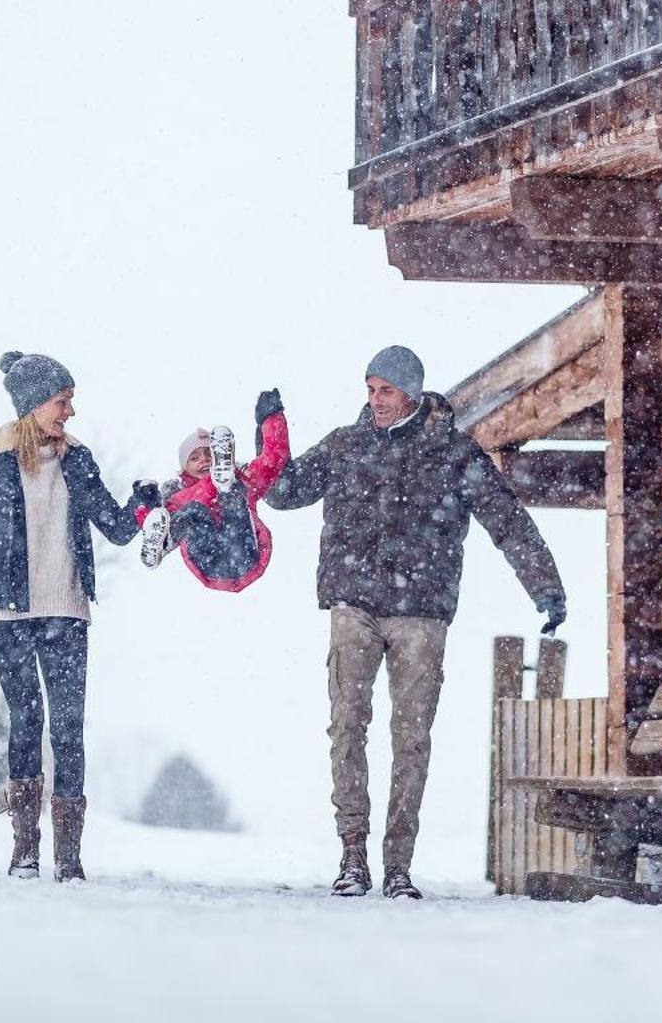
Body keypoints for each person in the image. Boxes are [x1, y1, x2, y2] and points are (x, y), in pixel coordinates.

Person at [266, 345, 566, 899]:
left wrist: (546, 588)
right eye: (370, 390)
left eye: (386, 390)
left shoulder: (452, 453)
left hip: (421, 614)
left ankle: (398, 864)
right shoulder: (345, 445)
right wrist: (270, 433)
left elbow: (508, 523)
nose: (376, 401)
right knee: (346, 728)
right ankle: (352, 856)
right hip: (353, 604)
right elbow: (283, 493)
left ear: (411, 393)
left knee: (411, 739)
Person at [0, 351, 155, 882]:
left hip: (66, 609)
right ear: (34, 404)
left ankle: (68, 856)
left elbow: (116, 527)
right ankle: (25, 850)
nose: (70, 412)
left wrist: (142, 503)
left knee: (67, 728)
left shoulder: (79, 461)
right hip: (6, 613)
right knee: (27, 719)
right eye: (63, 402)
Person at [137, 388, 289, 592]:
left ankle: (224, 484)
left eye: (209, 454)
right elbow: (150, 520)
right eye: (194, 457)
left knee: (233, 492)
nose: (204, 460)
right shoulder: (176, 497)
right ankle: (159, 547)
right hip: (209, 561)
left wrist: (270, 417)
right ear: (184, 469)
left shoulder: (242, 478)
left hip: (243, 552)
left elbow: (273, 458)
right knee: (192, 514)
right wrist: (147, 505)